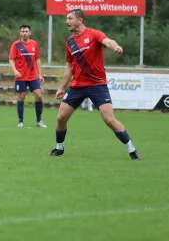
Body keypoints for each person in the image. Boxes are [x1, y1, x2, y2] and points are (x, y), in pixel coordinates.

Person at [51, 9, 140, 159]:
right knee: (61, 117)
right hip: (77, 86)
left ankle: (132, 149)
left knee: (109, 119)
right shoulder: (70, 42)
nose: (67, 21)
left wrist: (115, 46)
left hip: (97, 85)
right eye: (66, 18)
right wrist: (61, 87)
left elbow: (108, 41)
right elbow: (69, 66)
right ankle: (59, 148)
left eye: (70, 18)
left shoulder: (94, 34)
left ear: (80, 20)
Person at [8, 25, 46, 128]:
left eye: (26, 31)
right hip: (20, 76)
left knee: (38, 95)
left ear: (30, 33)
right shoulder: (16, 45)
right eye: (22, 31)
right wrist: (15, 70)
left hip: (33, 76)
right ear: (20, 33)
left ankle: (39, 121)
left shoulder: (34, 44)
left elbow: (37, 59)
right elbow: (11, 59)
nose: (24, 33)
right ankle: (20, 121)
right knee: (22, 96)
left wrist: (40, 74)